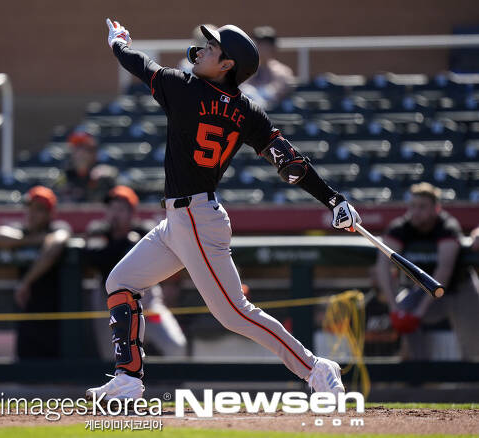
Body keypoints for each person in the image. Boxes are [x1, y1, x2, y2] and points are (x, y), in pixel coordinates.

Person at [87, 19, 362, 400]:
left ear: (227, 65)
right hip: (184, 220)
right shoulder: (247, 110)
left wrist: (118, 42)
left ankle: (315, 368)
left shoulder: (183, 87)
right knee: (121, 282)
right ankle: (129, 379)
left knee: (234, 313)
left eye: (211, 48)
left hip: (196, 219)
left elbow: (137, 63)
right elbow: (291, 163)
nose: (201, 49)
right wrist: (334, 200)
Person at [375, 183, 479, 360]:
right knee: (404, 309)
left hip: (459, 289)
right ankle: (418, 377)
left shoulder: (447, 226)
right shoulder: (401, 228)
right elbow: (382, 265)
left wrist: (419, 313)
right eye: (413, 206)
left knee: (474, 347)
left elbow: (443, 272)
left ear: (436, 208)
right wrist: (394, 308)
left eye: (422, 207)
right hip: (422, 291)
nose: (416, 211)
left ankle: (470, 382)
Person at [85, 185, 187, 358]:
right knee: (113, 358)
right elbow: (95, 259)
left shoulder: (145, 232)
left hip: (146, 301)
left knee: (176, 346)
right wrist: (124, 243)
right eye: (112, 208)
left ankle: (171, 384)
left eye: (121, 208)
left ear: (132, 213)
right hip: (110, 305)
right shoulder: (98, 231)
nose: (115, 213)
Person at [0, 185, 71, 358]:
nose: (32, 214)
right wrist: (32, 240)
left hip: (55, 313)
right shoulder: (23, 231)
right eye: (30, 208)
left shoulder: (57, 227)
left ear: (50, 213)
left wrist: (25, 282)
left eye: (39, 210)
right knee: (25, 365)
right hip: (27, 310)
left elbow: (56, 244)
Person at [54, 130, 118, 203]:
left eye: (84, 148)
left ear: (94, 153)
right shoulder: (64, 176)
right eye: (77, 148)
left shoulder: (105, 177)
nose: (80, 153)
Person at [239, 26, 294, 110]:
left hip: (274, 114)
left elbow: (280, 91)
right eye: (259, 43)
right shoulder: (245, 69)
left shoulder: (282, 71)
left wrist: (266, 93)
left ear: (273, 47)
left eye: (266, 44)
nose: (262, 48)